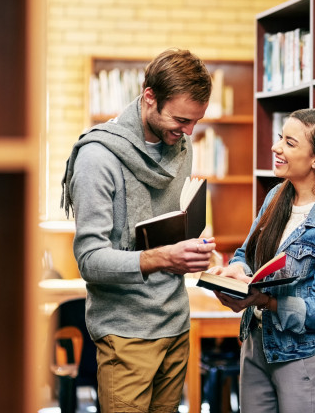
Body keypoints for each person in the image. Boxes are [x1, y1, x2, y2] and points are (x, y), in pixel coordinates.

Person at [60, 48, 218, 413]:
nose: (189, 132)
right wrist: (164, 257)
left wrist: (194, 245)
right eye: (181, 119)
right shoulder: (98, 158)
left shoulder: (180, 144)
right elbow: (89, 260)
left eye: (196, 121)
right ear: (149, 97)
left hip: (176, 323)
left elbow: (170, 222)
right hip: (125, 333)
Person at [209, 108, 315, 413]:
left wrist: (265, 301)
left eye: (290, 143)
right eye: (281, 137)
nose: (276, 147)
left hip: (303, 359)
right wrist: (234, 273)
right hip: (257, 345)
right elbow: (245, 254)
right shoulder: (275, 198)